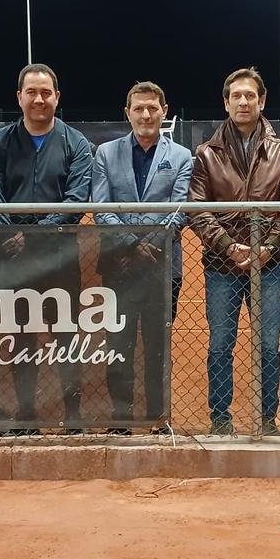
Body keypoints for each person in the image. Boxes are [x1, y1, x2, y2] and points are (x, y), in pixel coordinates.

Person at [189, 67, 280, 436]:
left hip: (269, 266)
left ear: (261, 100)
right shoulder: (207, 154)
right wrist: (228, 246)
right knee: (221, 344)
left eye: (250, 95)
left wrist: (268, 248)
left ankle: (267, 420)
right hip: (221, 266)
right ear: (226, 102)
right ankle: (220, 419)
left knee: (269, 345)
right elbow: (197, 208)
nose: (243, 101)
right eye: (235, 96)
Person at [0, 63, 92, 433]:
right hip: (11, 259)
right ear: (19, 97)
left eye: (46, 92)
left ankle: (72, 414)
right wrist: (8, 233)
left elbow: (76, 201)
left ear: (57, 97)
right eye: (32, 92)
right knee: (22, 336)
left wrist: (30, 235)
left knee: (66, 337)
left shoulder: (77, 142)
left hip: (60, 258)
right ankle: (27, 413)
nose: (39, 99)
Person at [91, 81, 192, 435]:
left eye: (153, 108)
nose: (146, 114)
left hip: (164, 269)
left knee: (157, 346)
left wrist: (149, 245)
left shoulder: (181, 156)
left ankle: (158, 418)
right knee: (119, 344)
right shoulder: (105, 153)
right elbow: (101, 209)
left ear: (164, 111)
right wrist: (133, 246)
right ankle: (121, 418)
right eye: (139, 108)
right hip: (120, 266)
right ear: (128, 113)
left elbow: (180, 210)